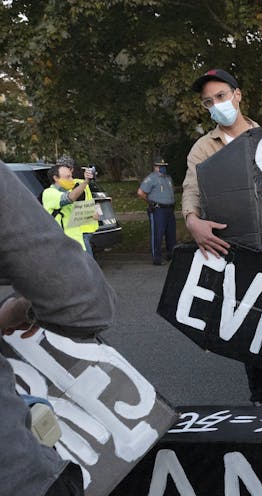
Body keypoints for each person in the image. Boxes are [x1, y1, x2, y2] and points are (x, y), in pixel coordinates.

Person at [184, 68, 262, 408]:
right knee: (250, 325)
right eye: (208, 102)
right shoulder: (202, 148)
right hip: (237, 249)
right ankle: (259, 397)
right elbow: (192, 190)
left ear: (237, 95)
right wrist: (192, 221)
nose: (216, 105)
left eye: (221, 96)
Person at [0, 161, 116, 495]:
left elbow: (86, 210)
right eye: (65, 174)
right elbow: (85, 305)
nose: (70, 178)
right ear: (54, 179)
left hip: (82, 244)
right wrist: (26, 307)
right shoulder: (52, 194)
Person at [42, 156, 98, 254]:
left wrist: (91, 214)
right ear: (56, 178)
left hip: (77, 243)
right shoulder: (49, 193)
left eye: (71, 176)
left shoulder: (72, 187)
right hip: (64, 247)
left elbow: (72, 214)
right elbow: (69, 198)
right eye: (68, 177)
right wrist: (86, 181)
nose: (72, 179)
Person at [137, 157, 176, 265]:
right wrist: (150, 202)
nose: (162, 168)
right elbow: (140, 192)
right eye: (160, 166)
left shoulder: (168, 178)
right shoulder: (151, 178)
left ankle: (171, 255)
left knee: (171, 234)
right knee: (157, 234)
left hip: (169, 209)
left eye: (164, 166)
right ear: (155, 167)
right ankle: (157, 258)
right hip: (158, 210)